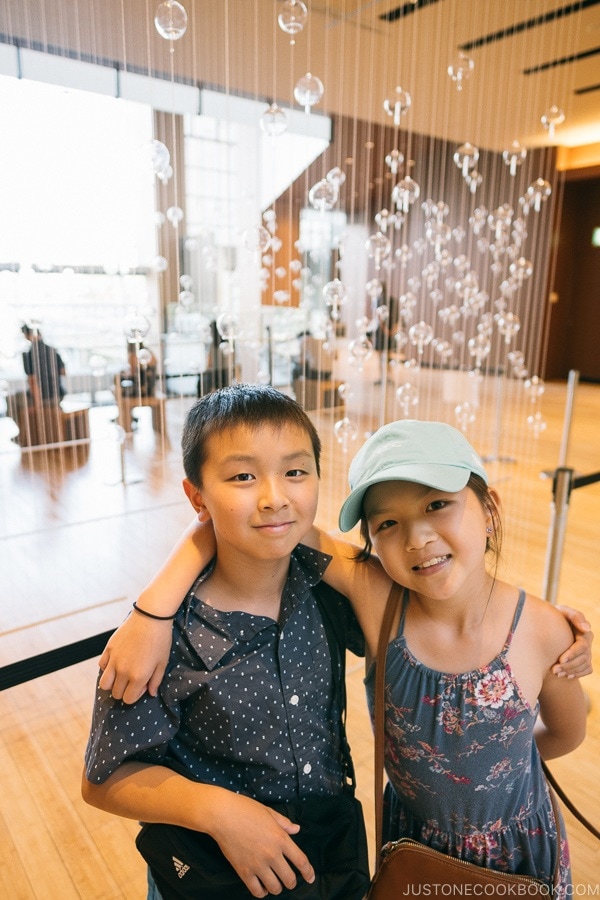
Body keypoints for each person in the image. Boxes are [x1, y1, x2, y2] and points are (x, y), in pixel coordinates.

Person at [98, 419, 593, 895]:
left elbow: (568, 732)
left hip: (517, 847)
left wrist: (487, 775)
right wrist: (152, 611)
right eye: (389, 523)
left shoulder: (544, 628)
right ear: (371, 542)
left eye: (439, 504)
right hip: (410, 840)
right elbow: (271, 523)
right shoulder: (378, 597)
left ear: (489, 510)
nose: (418, 538)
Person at [82, 383, 368, 900]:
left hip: (326, 859)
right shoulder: (164, 636)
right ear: (197, 496)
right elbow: (103, 778)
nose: (274, 496)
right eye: (242, 476)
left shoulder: (324, 587)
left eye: (296, 472)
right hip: (212, 876)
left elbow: (413, 598)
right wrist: (219, 812)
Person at [21, 323, 66, 403]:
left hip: (42, 397)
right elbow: (63, 372)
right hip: (59, 394)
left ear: (27, 336)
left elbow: (32, 381)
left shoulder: (28, 355)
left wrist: (38, 402)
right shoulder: (53, 351)